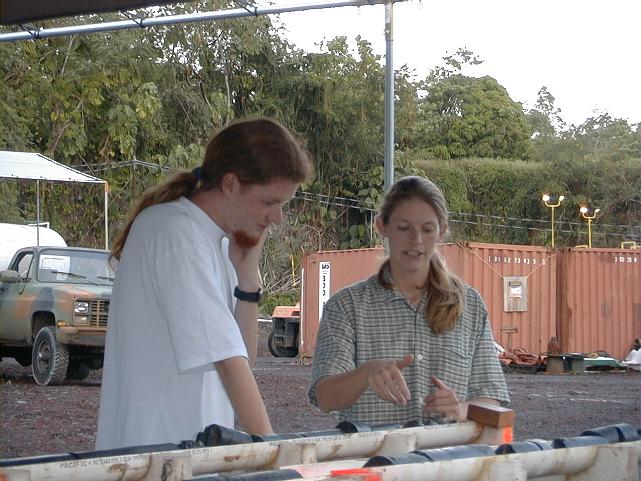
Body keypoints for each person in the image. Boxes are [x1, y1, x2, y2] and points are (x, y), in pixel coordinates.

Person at [96, 118, 313, 449]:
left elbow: (242, 357)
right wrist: (274, 452)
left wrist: (247, 278)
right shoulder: (178, 234)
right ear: (230, 184)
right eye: (270, 202)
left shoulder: (214, 240)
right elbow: (229, 364)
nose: (277, 218)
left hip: (184, 454)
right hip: (157, 453)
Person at [308, 176, 509, 425]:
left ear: (441, 231)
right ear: (382, 226)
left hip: (449, 452)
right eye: (404, 228)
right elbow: (325, 397)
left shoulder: (471, 306)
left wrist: (461, 409)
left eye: (427, 229)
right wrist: (366, 373)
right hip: (373, 451)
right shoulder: (346, 307)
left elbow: (492, 399)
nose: (416, 240)